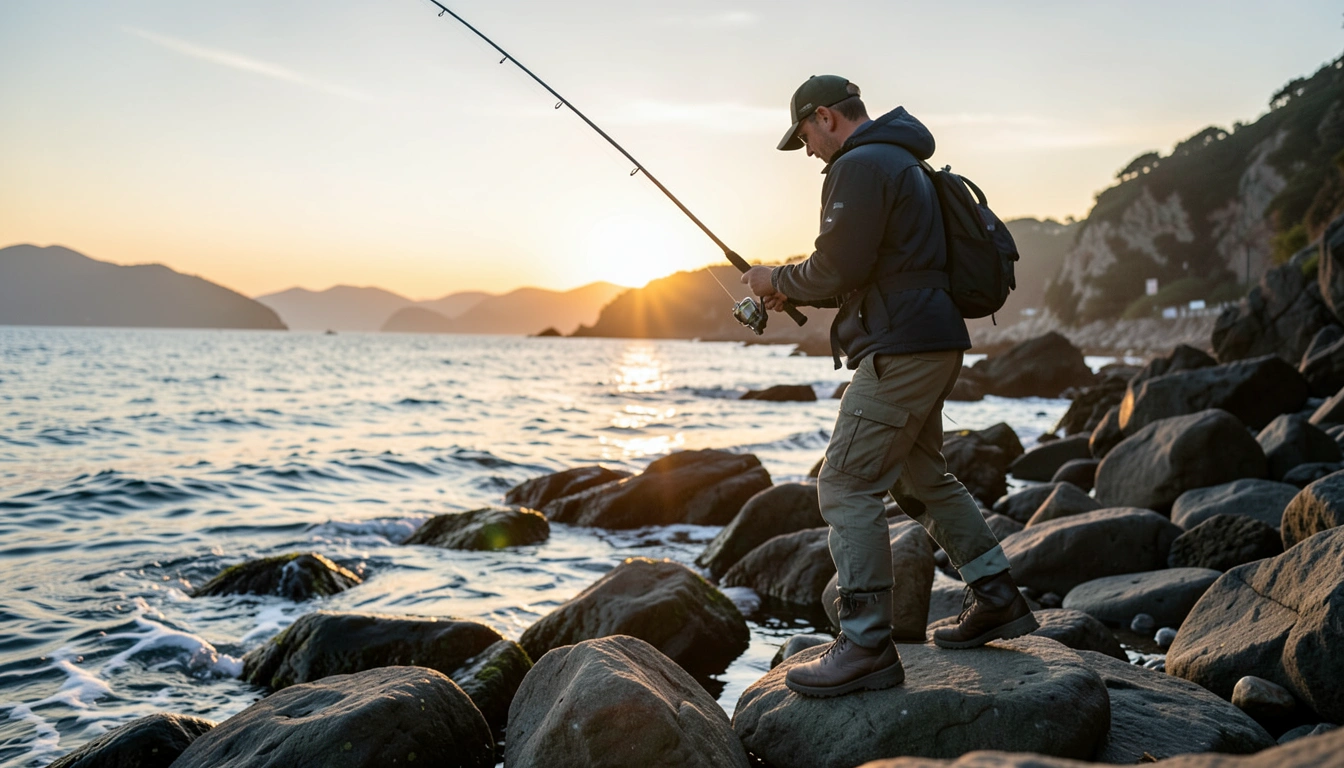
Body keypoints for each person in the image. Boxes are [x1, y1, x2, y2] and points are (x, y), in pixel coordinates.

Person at [741, 75, 1038, 698]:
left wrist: (777, 277)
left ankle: (867, 644)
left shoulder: (861, 164)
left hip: (902, 347)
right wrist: (794, 283)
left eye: (805, 138)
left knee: (845, 482)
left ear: (825, 118)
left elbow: (837, 268)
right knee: (920, 476)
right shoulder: (901, 160)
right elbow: (868, 267)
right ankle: (997, 596)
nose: (809, 154)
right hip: (930, 337)